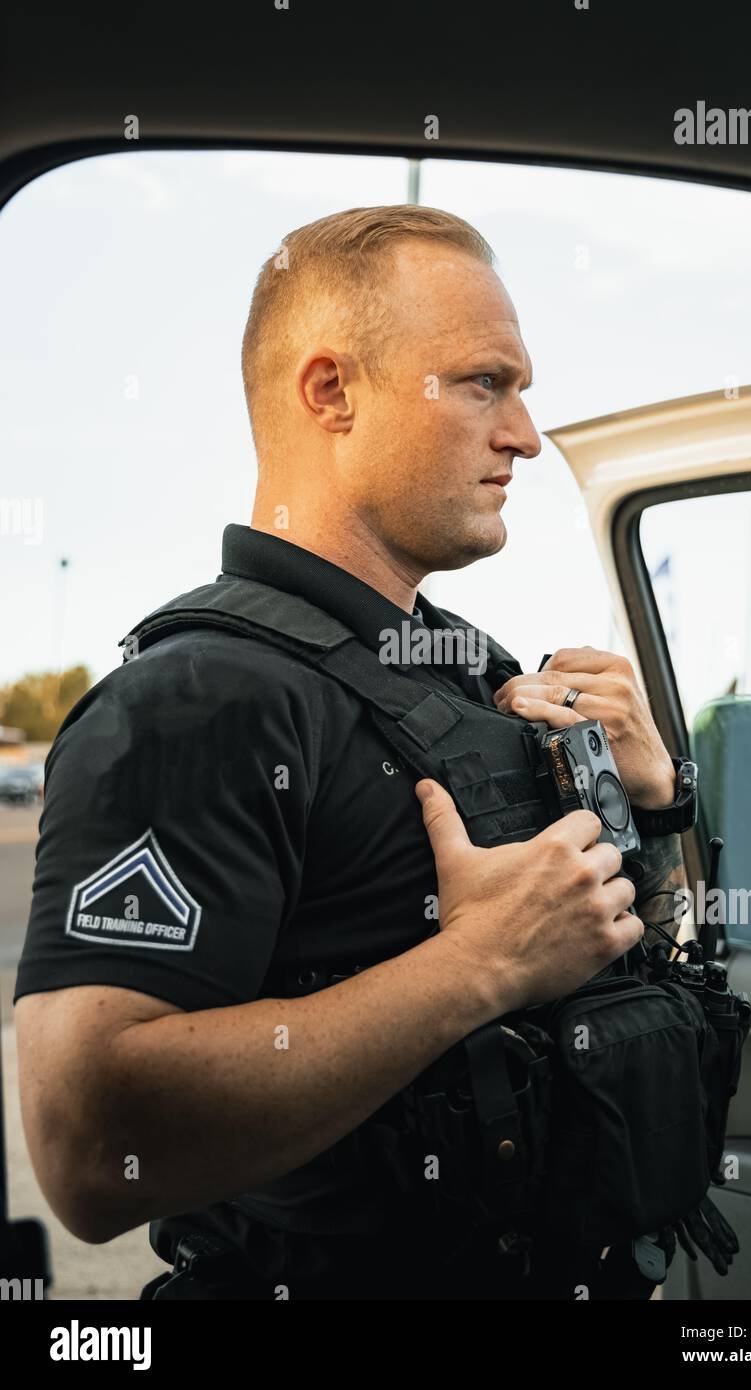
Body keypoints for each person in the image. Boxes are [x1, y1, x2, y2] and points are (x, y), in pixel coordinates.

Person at [13, 205, 687, 1300]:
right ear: (331, 391)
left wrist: (651, 809)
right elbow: (88, 1144)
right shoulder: (195, 701)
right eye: (484, 383)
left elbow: (605, 973)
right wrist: (473, 965)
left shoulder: (477, 674)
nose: (523, 434)